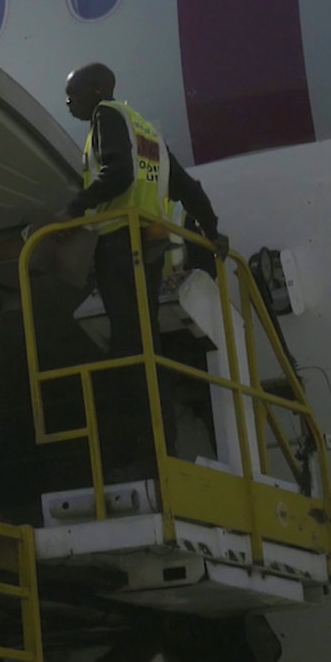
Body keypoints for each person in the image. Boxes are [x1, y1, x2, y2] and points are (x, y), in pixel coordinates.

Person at [57, 62, 226, 470]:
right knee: (144, 346)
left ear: (97, 89)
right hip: (147, 249)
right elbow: (187, 187)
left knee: (129, 350)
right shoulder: (145, 132)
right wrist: (213, 230)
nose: (67, 101)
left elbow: (119, 174)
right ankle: (160, 447)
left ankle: (143, 453)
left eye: (74, 92)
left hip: (119, 245)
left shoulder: (107, 116)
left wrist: (75, 207)